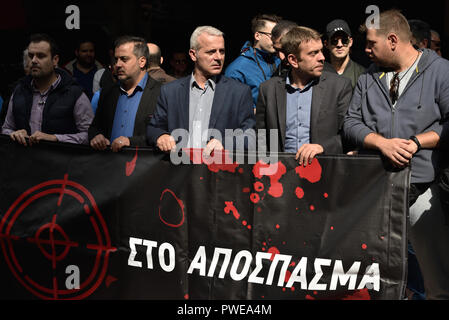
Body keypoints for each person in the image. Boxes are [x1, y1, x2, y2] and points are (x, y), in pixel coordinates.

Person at [343, 9, 449, 300]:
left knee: (435, 280)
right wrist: (380, 142)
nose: (365, 50)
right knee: (381, 280)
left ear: (392, 40)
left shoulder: (440, 71)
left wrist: (417, 142)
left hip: (423, 191)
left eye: (370, 44)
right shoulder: (369, 77)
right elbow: (351, 123)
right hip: (376, 191)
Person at [147, 26, 256, 155]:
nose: (218, 57)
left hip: (217, 171)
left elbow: (250, 136)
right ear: (193, 55)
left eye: (222, 51)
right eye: (211, 52)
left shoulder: (239, 92)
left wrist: (225, 143)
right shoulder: (170, 91)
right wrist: (161, 136)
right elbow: (154, 128)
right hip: (178, 171)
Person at [256, 26, 353, 165]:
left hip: (323, 173)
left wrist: (323, 147)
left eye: (321, 51)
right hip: (281, 176)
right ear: (293, 60)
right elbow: (261, 137)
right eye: (313, 53)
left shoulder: (339, 87)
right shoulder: (268, 90)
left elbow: (349, 135)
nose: (322, 58)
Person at [1, 33, 94, 146]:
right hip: (25, 161)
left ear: (55, 60)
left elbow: (89, 135)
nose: (34, 60)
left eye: (40, 56)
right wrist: (14, 134)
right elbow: (6, 129)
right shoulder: (19, 91)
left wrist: (55, 138)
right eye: (31, 56)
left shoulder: (75, 94)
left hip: (60, 162)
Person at [88, 36, 161, 152]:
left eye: (124, 59)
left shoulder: (161, 93)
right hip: (108, 165)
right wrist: (96, 136)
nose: (118, 64)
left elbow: (166, 135)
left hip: (144, 167)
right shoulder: (107, 92)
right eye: (116, 59)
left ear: (142, 61)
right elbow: (94, 127)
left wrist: (131, 142)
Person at [225, 14, 282, 109]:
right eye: (272, 35)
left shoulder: (281, 62)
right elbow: (232, 108)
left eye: (278, 35)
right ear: (257, 35)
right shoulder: (237, 69)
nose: (276, 40)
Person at [323, 19, 365, 89]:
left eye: (344, 40)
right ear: (326, 44)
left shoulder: (361, 74)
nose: (339, 45)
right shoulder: (320, 72)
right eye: (334, 41)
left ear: (350, 42)